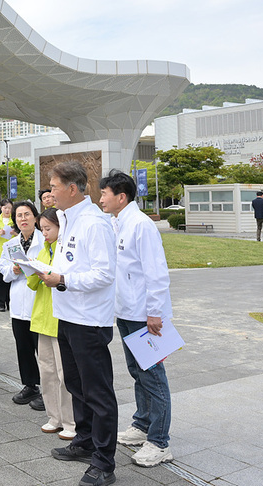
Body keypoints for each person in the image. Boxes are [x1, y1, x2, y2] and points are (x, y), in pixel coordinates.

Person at [41, 161, 118, 486]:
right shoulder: (68, 219)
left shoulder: (94, 223)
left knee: (98, 392)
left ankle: (104, 462)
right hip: (67, 317)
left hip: (89, 321)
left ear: (72, 189)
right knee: (76, 385)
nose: (50, 193)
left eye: (55, 187)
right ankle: (85, 441)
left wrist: (62, 280)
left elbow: (104, 273)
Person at [99, 171, 175, 468]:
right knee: (137, 370)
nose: (101, 198)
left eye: (105, 193)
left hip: (145, 315)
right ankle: (142, 424)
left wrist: (155, 312)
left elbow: (156, 272)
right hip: (126, 310)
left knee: (153, 376)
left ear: (121, 196)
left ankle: (159, 441)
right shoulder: (116, 222)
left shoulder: (141, 225)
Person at [26, 207, 75, 439]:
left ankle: (70, 422)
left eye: (48, 228)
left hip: (60, 319)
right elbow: (32, 285)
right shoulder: (43, 251)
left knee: (65, 374)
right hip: (42, 319)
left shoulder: (64, 251)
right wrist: (33, 271)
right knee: (47, 372)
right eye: (41, 228)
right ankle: (53, 416)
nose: (43, 233)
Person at [0, 201, 45, 412]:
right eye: (19, 216)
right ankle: (30, 385)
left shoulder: (45, 240)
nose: (23, 219)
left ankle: (49, 390)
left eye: (27, 214)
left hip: (39, 302)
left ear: (35, 217)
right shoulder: (11, 244)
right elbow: (3, 268)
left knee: (43, 350)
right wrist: (13, 271)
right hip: (18, 303)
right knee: (23, 347)